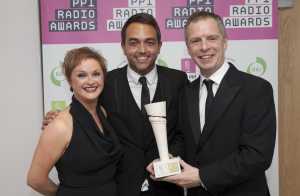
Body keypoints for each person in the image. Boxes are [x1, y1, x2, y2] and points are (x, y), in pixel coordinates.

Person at [147, 11, 276, 196]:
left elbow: (257, 156)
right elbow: (184, 140)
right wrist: (166, 160)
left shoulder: (256, 89)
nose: (204, 47)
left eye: (211, 38)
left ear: (225, 41)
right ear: (188, 47)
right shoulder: (185, 92)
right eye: (195, 41)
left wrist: (202, 177)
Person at [100, 13, 188, 196]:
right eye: (133, 42)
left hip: (167, 187)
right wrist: (60, 117)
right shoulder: (106, 83)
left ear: (159, 46)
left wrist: (170, 158)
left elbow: (186, 131)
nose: (142, 50)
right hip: (120, 188)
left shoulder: (178, 80)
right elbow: (87, 118)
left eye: (149, 42)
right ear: (123, 47)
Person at [27, 47, 122, 196]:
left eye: (96, 74)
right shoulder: (60, 126)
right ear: (69, 80)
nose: (90, 81)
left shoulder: (102, 112)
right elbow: (35, 180)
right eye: (82, 75)